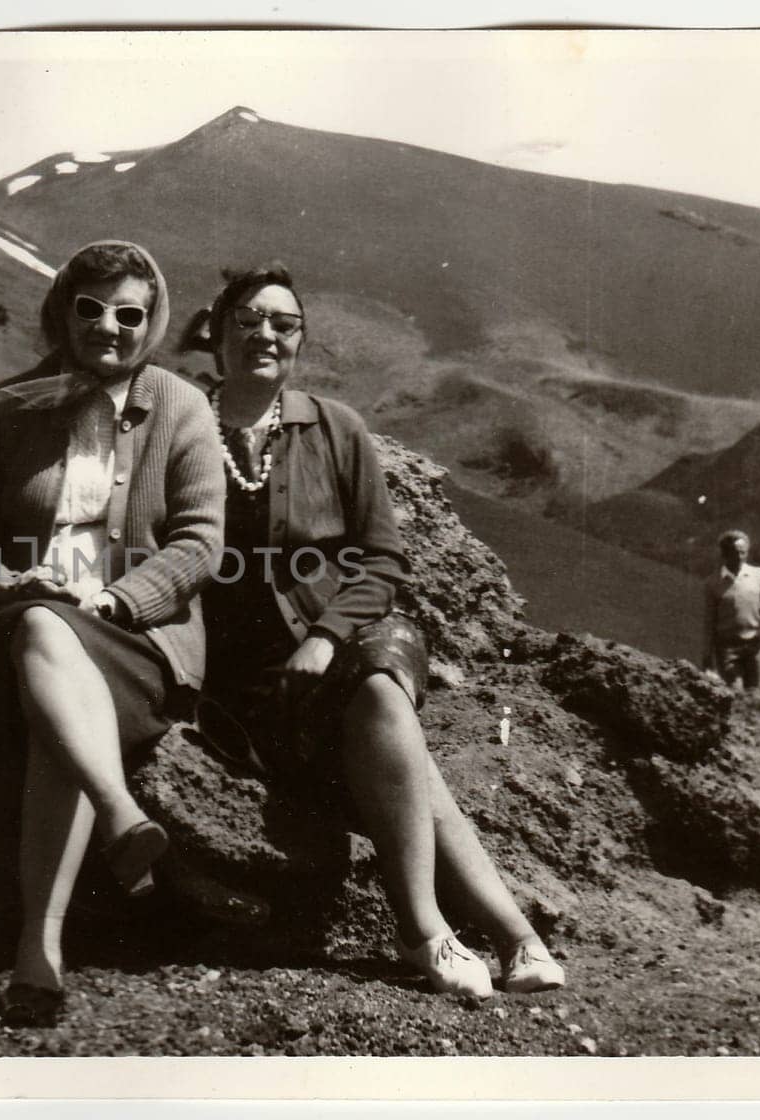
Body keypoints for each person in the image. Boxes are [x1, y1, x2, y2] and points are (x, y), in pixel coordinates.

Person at [184, 264, 564, 998]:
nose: (265, 335)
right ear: (216, 328)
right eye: (248, 319)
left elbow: (383, 558)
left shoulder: (336, 428)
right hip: (244, 679)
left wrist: (325, 637)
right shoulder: (181, 425)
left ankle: (424, 933)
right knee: (413, 773)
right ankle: (520, 939)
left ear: (300, 341)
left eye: (284, 325)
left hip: (354, 635)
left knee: (382, 695)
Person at [0, 241, 225, 1026]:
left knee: (55, 713)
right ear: (62, 310)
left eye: (130, 314)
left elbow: (201, 544)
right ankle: (120, 813)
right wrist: (10, 581)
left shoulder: (181, 406)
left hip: (136, 636)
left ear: (152, 320)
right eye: (90, 309)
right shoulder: (7, 404)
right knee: (40, 631)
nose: (109, 327)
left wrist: (120, 602)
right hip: (23, 621)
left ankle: (40, 947)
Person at [702, 529, 760, 694]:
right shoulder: (713, 583)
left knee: (758, 694)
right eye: (735, 553)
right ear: (724, 554)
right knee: (734, 694)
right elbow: (709, 621)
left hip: (757, 644)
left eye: (743, 553)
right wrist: (707, 658)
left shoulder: (759, 575)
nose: (740, 557)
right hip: (728, 648)